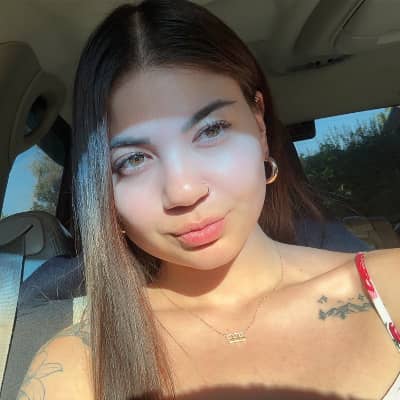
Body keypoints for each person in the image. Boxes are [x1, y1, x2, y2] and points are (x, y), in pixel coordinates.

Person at [17, 1, 400, 399]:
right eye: (133, 160)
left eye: (211, 130)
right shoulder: (79, 362)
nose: (184, 191)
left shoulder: (391, 287)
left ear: (259, 125)